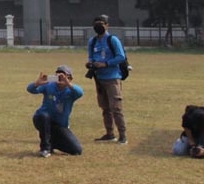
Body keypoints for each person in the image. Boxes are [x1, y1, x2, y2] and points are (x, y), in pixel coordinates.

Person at [86, 14, 128, 144]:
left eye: (102, 23)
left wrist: (105, 63)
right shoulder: (92, 41)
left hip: (112, 77)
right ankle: (110, 133)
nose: (99, 26)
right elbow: (91, 56)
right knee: (105, 108)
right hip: (99, 78)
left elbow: (121, 57)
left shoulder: (112, 40)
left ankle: (122, 136)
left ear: (107, 25)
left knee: (116, 107)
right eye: (96, 23)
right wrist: (91, 63)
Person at [27, 64, 85, 157]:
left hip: (60, 125)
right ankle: (45, 148)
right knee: (44, 116)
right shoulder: (49, 85)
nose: (60, 78)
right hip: (42, 120)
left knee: (76, 150)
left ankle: (52, 142)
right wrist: (37, 83)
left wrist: (68, 84)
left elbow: (80, 92)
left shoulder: (71, 91)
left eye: (63, 76)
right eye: (57, 76)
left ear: (69, 78)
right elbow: (30, 89)